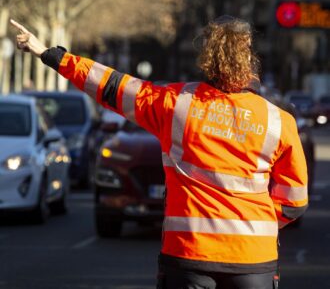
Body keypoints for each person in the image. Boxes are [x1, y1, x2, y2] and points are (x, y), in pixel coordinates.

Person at [11, 16, 308, 289]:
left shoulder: (176, 104)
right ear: (251, 60)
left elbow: (112, 86)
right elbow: (294, 200)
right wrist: (256, 223)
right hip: (253, 261)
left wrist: (50, 55)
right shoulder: (278, 121)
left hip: (188, 255)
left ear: (207, 58)